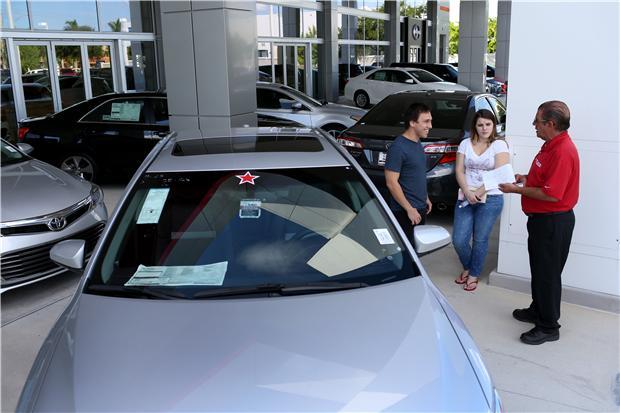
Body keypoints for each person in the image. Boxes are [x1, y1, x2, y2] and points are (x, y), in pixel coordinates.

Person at [499, 100, 579, 345]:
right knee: (540, 271)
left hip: (553, 223)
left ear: (551, 124)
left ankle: (548, 326)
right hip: (542, 221)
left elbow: (552, 194)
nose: (534, 125)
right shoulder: (550, 146)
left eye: (538, 121)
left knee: (548, 275)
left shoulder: (562, 151)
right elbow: (545, 180)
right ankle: (538, 309)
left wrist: (515, 190)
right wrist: (525, 178)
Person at [453, 109, 510, 292]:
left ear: (493, 125)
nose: (484, 128)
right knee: (459, 239)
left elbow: (500, 173)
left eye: (488, 124)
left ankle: (474, 274)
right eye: (480, 124)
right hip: (466, 195)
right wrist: (467, 192)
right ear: (474, 126)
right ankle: (469, 267)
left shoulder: (499, 145)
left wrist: (478, 192)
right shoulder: (465, 144)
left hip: (491, 197)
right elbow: (459, 170)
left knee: (480, 239)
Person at [384, 103, 433, 243]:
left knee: (417, 250)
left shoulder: (417, 143)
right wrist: (409, 209)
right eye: (426, 121)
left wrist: (425, 197)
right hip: (405, 212)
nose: (430, 126)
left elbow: (415, 174)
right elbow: (391, 183)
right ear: (412, 122)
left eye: (430, 121)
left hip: (419, 208)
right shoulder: (398, 147)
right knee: (409, 254)